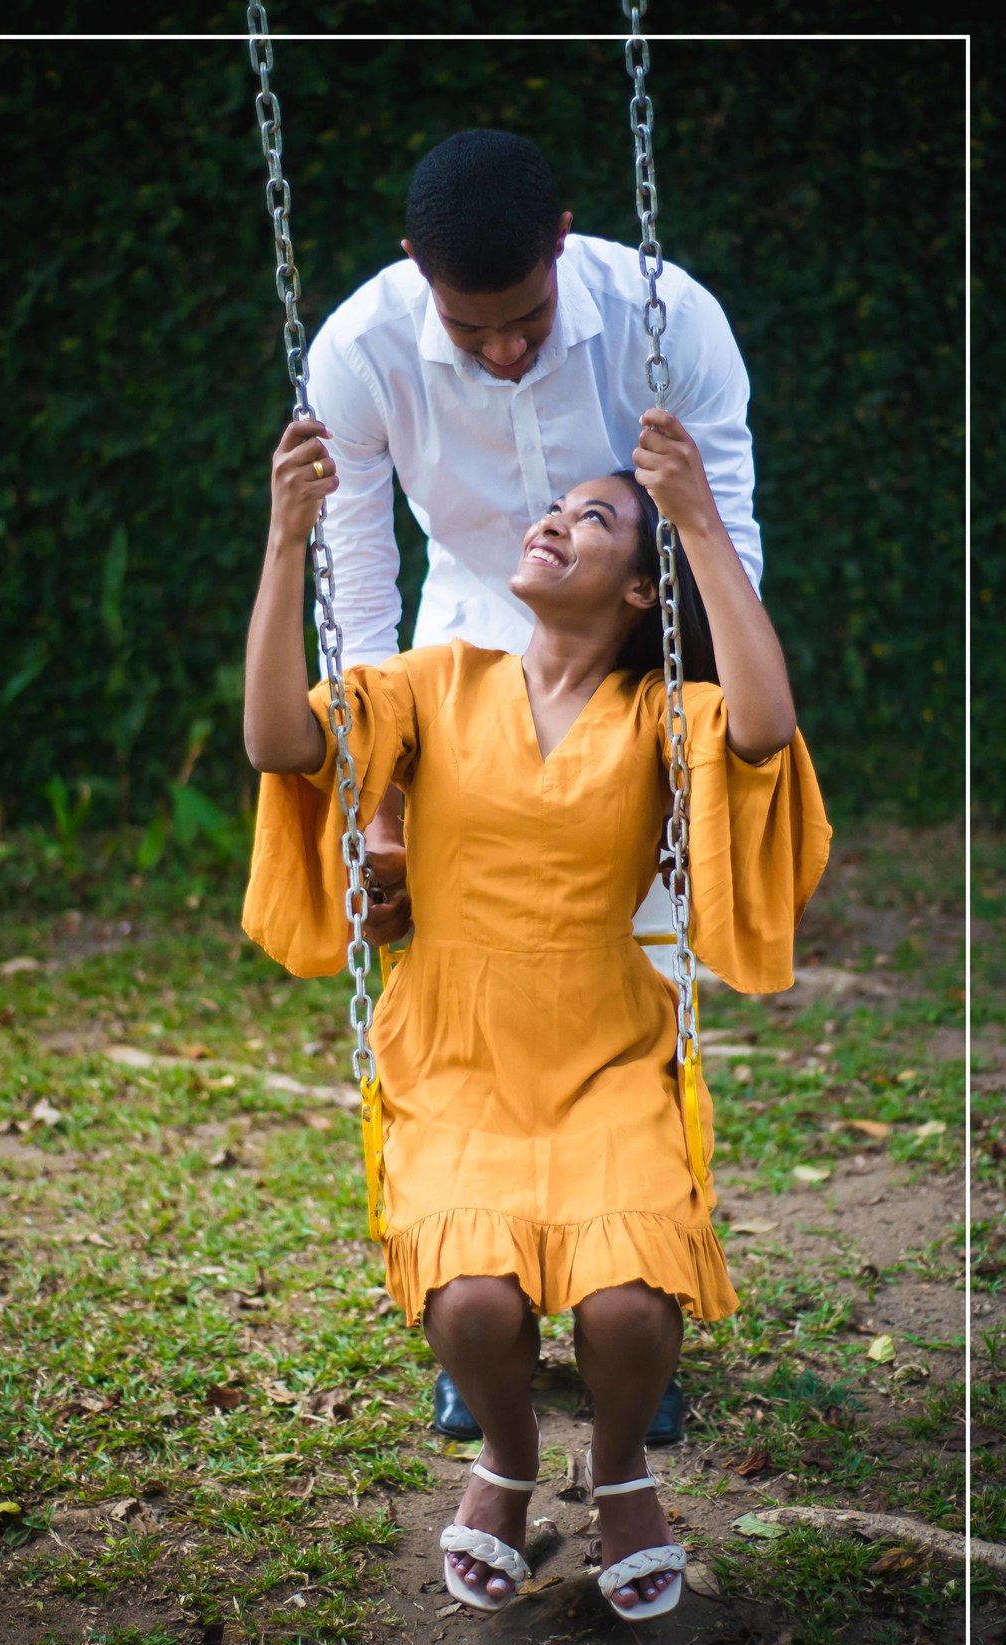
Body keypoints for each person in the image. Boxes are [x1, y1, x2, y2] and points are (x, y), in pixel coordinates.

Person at [241, 406, 830, 1617]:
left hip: (606, 1052)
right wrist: (286, 538)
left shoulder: (659, 714)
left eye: (593, 519)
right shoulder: (435, 683)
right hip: (455, 1052)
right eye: (556, 509)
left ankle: (621, 1474)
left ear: (637, 591)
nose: (554, 521)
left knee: (628, 1306)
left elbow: (766, 727)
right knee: (471, 1301)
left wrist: (697, 518)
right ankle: (506, 1463)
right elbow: (279, 740)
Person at [307, 128, 764, 1446]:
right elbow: (359, 586)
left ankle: (638, 1292)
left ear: (564, 241)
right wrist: (377, 799)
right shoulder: (361, 350)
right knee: (471, 990)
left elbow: (722, 531)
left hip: (635, 674)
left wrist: (699, 766)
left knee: (644, 988)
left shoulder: (668, 319)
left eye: (526, 318)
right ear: (417, 269)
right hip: (455, 676)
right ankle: (483, 1300)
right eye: (473, 328)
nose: (504, 349)